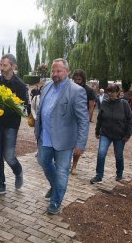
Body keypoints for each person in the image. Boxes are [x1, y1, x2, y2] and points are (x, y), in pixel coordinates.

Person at [35, 58, 89, 214]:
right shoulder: (46, 87)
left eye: (58, 71)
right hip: (45, 137)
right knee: (43, 161)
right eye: (53, 71)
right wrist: (37, 131)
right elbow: (41, 111)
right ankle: (55, 186)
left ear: (67, 72)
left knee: (62, 171)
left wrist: (80, 144)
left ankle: (56, 201)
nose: (55, 74)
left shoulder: (77, 91)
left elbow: (83, 120)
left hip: (64, 140)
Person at [0, 54, 30, 195]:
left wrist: (4, 109)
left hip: (11, 126)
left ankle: (18, 171)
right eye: (1, 65)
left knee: (8, 156)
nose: (2, 68)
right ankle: (0, 184)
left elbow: (23, 108)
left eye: (5, 65)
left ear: (13, 66)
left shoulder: (20, 86)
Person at [90, 83, 132, 184]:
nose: (110, 94)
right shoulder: (105, 103)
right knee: (101, 153)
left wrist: (128, 134)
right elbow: (100, 119)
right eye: (108, 92)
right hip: (105, 133)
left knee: (118, 155)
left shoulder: (124, 104)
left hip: (120, 135)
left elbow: (130, 119)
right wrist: (97, 131)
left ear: (118, 92)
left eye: (112, 92)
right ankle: (99, 175)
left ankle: (119, 174)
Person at [70, 69, 95, 175]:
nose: (76, 81)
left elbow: (91, 107)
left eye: (79, 79)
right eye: (75, 79)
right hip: (70, 119)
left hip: (81, 120)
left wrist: (87, 120)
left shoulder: (89, 91)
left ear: (83, 79)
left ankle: (74, 165)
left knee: (78, 144)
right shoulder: (70, 88)